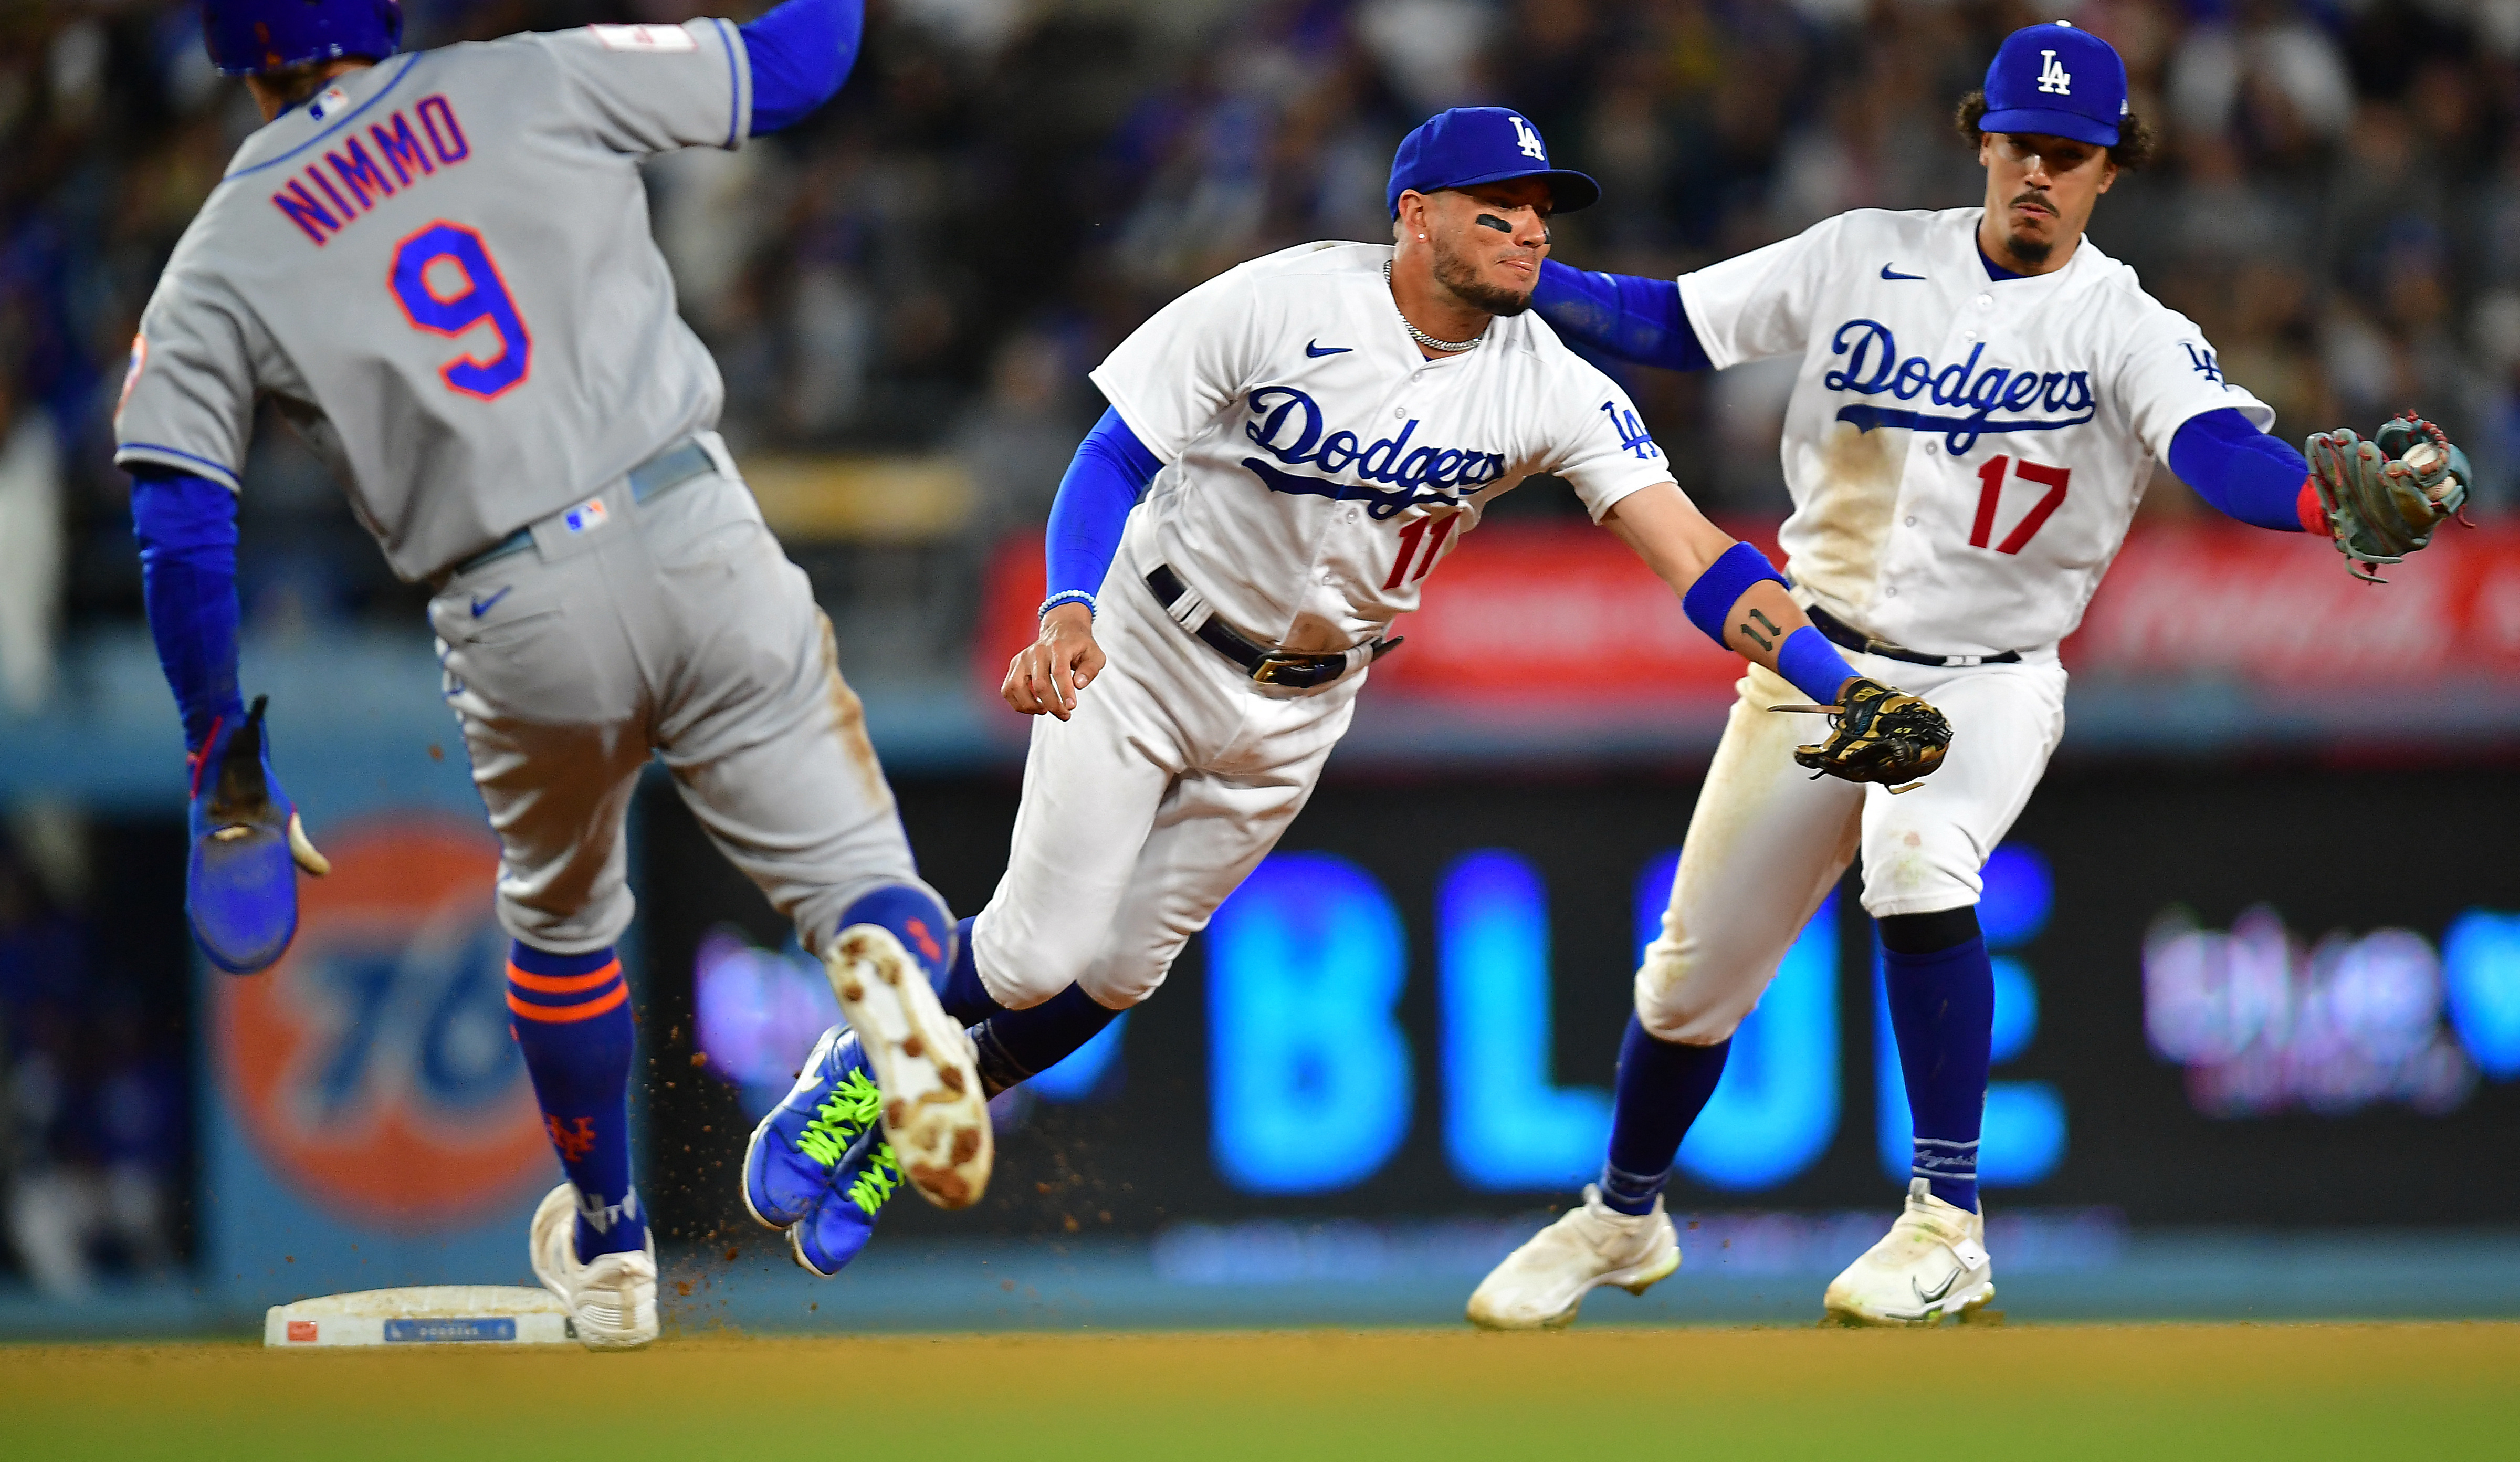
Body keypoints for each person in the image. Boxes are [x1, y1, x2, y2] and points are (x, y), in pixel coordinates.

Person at [741, 105, 1952, 1272]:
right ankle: (856, 1071)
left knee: (1117, 975)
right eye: (1501, 208)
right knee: (1028, 957)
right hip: (1149, 645)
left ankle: (912, 1126)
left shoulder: (1552, 382)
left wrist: (1835, 683)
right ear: (1416, 216)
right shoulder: (1284, 299)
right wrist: (1066, 604)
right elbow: (1113, 450)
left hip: (1304, 705)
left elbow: (1693, 552)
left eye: (1543, 209)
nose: (1532, 229)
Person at [1465, 22, 2470, 1329]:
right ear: (1981, 140)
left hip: (1982, 681)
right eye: (2023, 142)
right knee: (1688, 980)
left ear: (2113, 169)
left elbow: (2218, 450)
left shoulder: (2126, 323)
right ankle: (1622, 1216)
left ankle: (1947, 1223)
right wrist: (1522, 274)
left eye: (2074, 151)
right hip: (1812, 663)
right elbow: (1669, 321)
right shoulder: (1862, 252)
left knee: (1919, 860)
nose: (2042, 169)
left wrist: (2321, 504)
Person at [113, 0, 991, 1349]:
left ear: (229, 50)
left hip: (510, 597)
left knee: (564, 917)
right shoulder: (523, 73)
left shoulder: (219, 256)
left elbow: (179, 521)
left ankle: (612, 1243)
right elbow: (795, 70)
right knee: (854, 872)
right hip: (696, 519)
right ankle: (882, 968)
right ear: (376, 1)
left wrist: (218, 745)